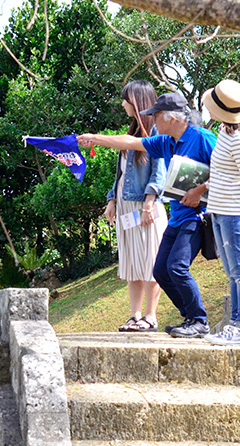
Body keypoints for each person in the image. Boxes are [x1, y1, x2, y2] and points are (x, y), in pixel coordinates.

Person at [78, 91, 217, 338]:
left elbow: (226, 170)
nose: (153, 120)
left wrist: (199, 190)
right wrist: (94, 138)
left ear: (172, 117)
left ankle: (199, 320)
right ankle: (190, 318)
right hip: (177, 217)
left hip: (198, 217)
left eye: (156, 116)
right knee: (161, 270)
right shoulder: (166, 142)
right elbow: (130, 143)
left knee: (177, 267)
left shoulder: (203, 138)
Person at [199, 79, 240, 345]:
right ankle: (234, 325)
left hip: (234, 212)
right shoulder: (225, 132)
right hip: (219, 210)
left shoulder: (238, 140)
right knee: (232, 272)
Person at [103, 80, 168, 332]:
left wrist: (149, 203)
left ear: (138, 101)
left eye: (126, 99)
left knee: (151, 262)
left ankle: (150, 317)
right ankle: (135, 315)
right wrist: (112, 200)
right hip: (126, 207)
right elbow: (121, 173)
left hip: (146, 207)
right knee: (132, 263)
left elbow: (159, 171)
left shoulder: (156, 133)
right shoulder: (131, 133)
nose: (123, 104)